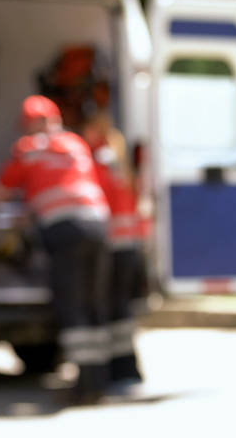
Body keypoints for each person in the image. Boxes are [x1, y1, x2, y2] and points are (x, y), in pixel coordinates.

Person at [0, 95, 111, 405]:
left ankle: (83, 389)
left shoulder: (29, 149)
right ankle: (97, 381)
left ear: (33, 122)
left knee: (71, 305)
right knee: (92, 303)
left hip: (64, 231)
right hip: (98, 226)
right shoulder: (76, 143)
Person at [82, 109, 147, 390]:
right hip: (130, 244)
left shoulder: (99, 157)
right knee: (121, 309)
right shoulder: (117, 157)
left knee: (108, 307)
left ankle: (116, 370)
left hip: (111, 243)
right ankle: (127, 367)